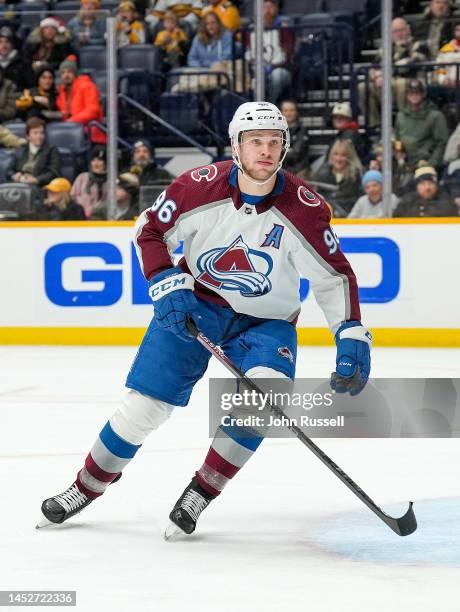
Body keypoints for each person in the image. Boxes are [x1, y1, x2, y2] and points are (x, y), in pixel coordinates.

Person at [37, 101, 371, 536]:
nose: (265, 151)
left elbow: (334, 277)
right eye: (255, 142)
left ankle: (201, 491)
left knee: (261, 400)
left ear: (285, 147)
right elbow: (149, 230)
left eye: (274, 142)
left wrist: (350, 335)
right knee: (144, 409)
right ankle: (85, 486)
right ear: (235, 146)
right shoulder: (198, 187)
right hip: (196, 306)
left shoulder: (304, 208)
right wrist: (164, 282)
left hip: (267, 323)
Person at [358, 18, 430, 127]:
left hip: (412, 81)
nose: (399, 34)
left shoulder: (418, 44)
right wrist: (376, 76)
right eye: (395, 31)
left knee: (400, 84)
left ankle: (403, 125)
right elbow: (374, 67)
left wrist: (386, 73)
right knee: (362, 87)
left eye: (401, 30)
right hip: (387, 84)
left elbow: (410, 64)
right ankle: (375, 125)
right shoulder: (386, 49)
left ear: (408, 30)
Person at [394, 78, 449, 170]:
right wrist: (399, 155)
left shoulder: (435, 116)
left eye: (417, 93)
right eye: (411, 93)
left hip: (426, 162)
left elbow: (442, 144)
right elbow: (398, 139)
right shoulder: (401, 115)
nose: (414, 96)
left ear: (423, 94)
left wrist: (431, 164)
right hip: (405, 163)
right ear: (407, 95)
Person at [246, 0, 294, 103]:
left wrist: (272, 66)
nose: (267, 11)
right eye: (264, 8)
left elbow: (287, 54)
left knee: (276, 77)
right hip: (257, 68)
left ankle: (268, 104)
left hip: (279, 68)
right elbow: (248, 52)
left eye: (270, 7)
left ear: (276, 9)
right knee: (254, 79)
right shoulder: (251, 29)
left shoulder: (284, 29)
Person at [55, 55, 106, 144]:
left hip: (90, 133)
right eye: (63, 73)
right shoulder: (61, 92)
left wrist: (72, 121)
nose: (66, 75)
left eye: (69, 72)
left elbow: (93, 111)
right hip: (71, 131)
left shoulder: (87, 86)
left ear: (75, 73)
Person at [312, 139, 363, 217]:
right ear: (331, 155)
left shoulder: (356, 176)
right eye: (336, 154)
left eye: (343, 155)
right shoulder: (322, 174)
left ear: (349, 157)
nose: (338, 159)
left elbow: (359, 200)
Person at [7, 117, 61, 187]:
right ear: (28, 136)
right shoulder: (21, 149)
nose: (39, 136)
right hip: (19, 184)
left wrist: (36, 180)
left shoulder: (51, 150)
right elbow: (9, 170)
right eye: (35, 133)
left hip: (39, 186)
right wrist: (14, 175)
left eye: (41, 133)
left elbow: (53, 173)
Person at [393, 165, 457, 217]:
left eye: (431, 183)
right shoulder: (407, 201)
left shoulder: (446, 201)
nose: (427, 188)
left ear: (436, 186)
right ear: (417, 186)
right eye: (422, 184)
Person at [71, 145, 107, 218]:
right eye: (93, 160)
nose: (96, 163)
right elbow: (73, 196)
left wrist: (93, 210)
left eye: (99, 160)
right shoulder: (82, 177)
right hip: (79, 215)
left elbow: (108, 202)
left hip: (100, 217)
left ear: (105, 163)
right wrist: (82, 208)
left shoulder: (111, 181)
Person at [280, 99, 309, 176]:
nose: (288, 113)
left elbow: (296, 153)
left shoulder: (302, 129)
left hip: (298, 171)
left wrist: (280, 150)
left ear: (296, 112)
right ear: (281, 113)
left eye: (291, 110)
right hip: (280, 170)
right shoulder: (277, 130)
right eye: (286, 110)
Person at [0, 25, 34, 91]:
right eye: (0, 42)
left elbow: (31, 86)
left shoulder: (23, 63)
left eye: (7, 41)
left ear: (12, 44)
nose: (4, 45)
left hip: (18, 98)